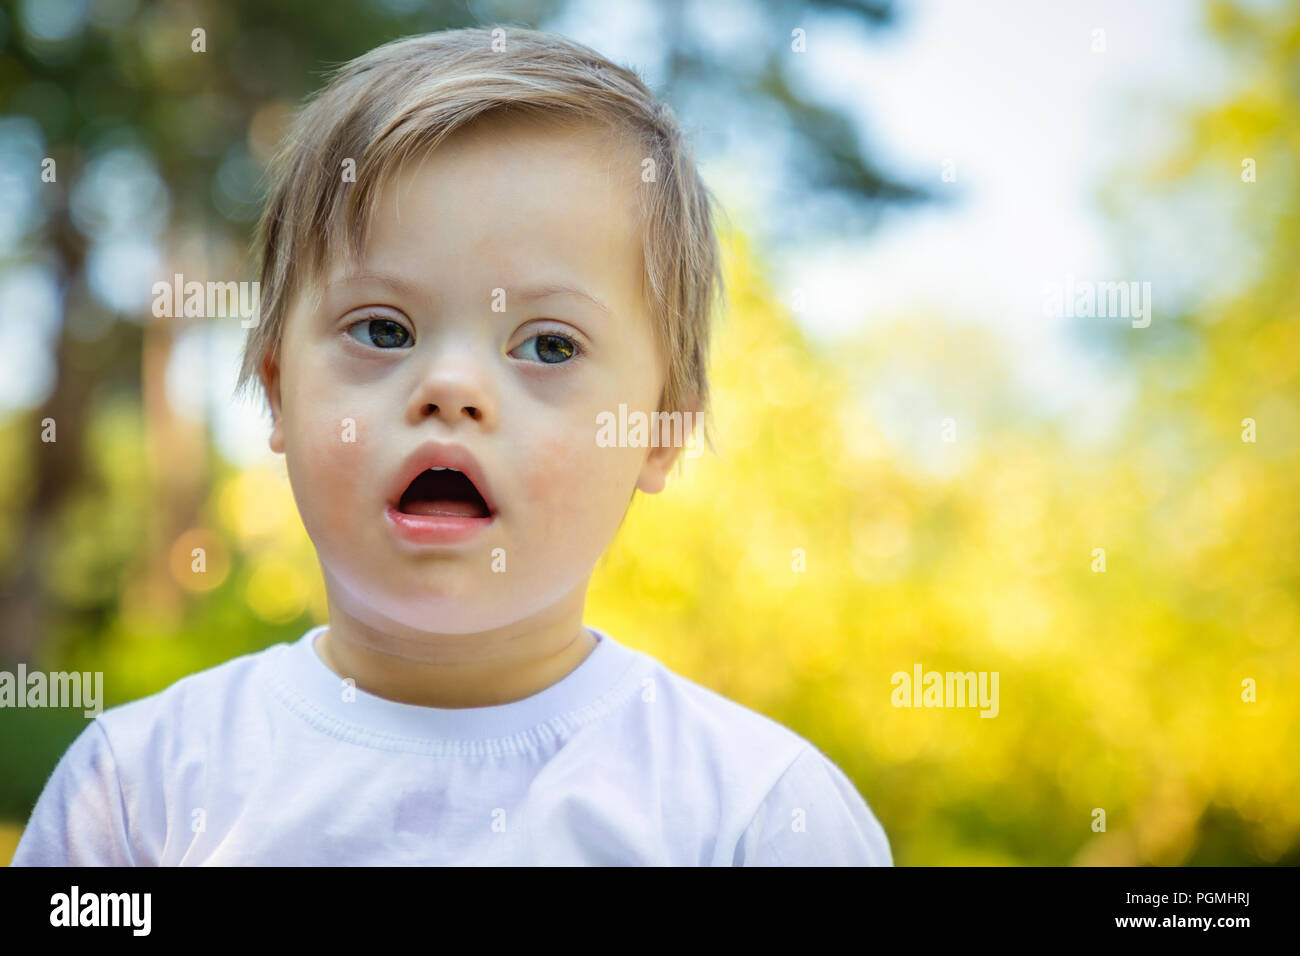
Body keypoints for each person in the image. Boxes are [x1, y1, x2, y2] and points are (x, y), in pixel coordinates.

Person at [12, 26, 891, 866]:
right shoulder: (137, 794)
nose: (452, 389)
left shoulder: (755, 817)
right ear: (278, 390)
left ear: (662, 433)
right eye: (384, 330)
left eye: (549, 345)